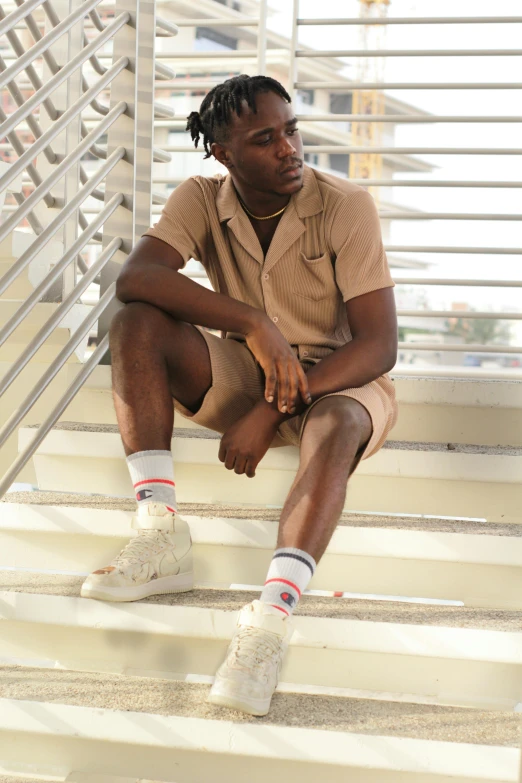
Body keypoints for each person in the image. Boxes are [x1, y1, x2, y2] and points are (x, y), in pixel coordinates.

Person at [80, 74, 398, 716]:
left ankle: (269, 623)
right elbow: (137, 277)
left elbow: (379, 345)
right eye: (264, 139)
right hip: (248, 369)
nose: (289, 149)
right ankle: (159, 530)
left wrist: (272, 406)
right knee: (135, 321)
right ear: (223, 154)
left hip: (342, 381)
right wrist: (255, 324)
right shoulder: (202, 197)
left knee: (335, 425)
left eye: (292, 130)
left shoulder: (345, 204)